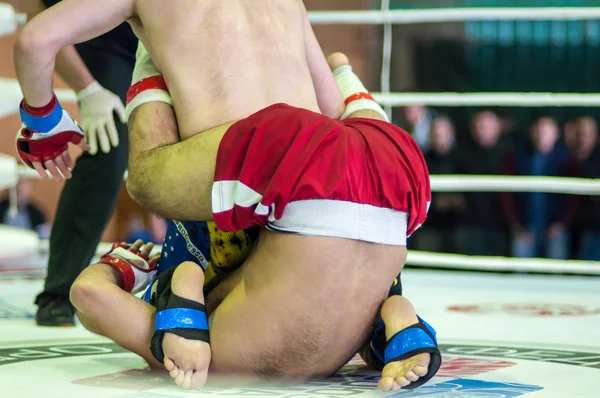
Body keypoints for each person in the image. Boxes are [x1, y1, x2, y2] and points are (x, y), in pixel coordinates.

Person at [14, 0, 439, 391]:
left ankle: (391, 312)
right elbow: (330, 109)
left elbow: (35, 39)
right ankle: (390, 319)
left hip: (275, 151)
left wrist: (42, 119)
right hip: (381, 155)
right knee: (318, 199)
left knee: (144, 179)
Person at [24, 0, 137, 326]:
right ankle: (58, 293)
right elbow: (37, 28)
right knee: (108, 146)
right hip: (106, 40)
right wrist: (88, 91)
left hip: (168, 40)